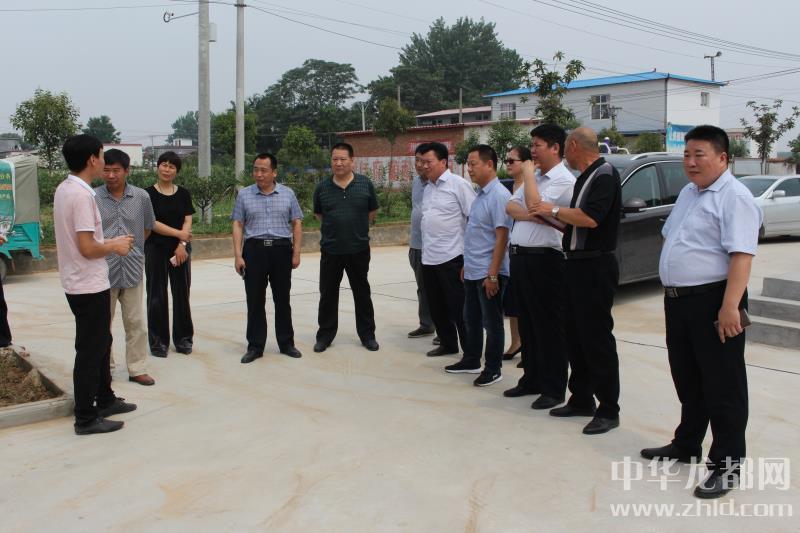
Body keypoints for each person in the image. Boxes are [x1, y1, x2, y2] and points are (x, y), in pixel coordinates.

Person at [641, 125, 762, 499]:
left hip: (716, 301)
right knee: (688, 376)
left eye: (699, 155)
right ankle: (687, 443)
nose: (690, 162)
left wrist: (730, 307)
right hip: (679, 301)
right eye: (687, 155)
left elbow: (741, 255)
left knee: (724, 385)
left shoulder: (734, 197)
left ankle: (727, 466)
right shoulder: (690, 193)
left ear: (723, 158)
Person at [530, 127, 622, 435]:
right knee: (574, 335)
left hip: (595, 267)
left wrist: (553, 209)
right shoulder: (585, 176)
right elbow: (575, 220)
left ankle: (609, 409)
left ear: (572, 146)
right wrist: (554, 216)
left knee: (596, 338)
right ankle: (581, 398)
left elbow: (591, 218)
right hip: (574, 264)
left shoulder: (604, 174)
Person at [53, 134, 136, 435]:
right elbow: (88, 247)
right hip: (87, 284)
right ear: (92, 159)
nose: (104, 161)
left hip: (81, 281)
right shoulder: (82, 196)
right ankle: (86, 417)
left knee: (102, 343)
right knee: (90, 350)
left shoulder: (65, 189)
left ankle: (105, 398)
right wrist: (114, 245)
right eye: (101, 156)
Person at [504, 126, 575, 409]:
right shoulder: (537, 178)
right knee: (528, 323)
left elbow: (533, 204)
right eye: (531, 145)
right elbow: (512, 207)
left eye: (537, 145)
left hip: (546, 259)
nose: (532, 151)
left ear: (555, 148)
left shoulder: (562, 179)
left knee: (549, 326)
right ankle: (531, 379)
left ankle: (553, 387)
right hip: (521, 257)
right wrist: (534, 213)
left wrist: (530, 179)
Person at [443, 145, 511, 386]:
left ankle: (493, 368)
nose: (469, 169)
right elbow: (477, 234)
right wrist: (467, 264)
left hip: (488, 273)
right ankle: (471, 359)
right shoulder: (480, 194)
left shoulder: (499, 195)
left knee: (492, 323)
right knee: (470, 319)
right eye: (468, 164)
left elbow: (502, 238)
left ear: (489, 164)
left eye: (473, 164)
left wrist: (492, 274)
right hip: (473, 269)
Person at [232, 153, 303, 363]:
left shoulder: (288, 194)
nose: (259, 174)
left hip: (281, 250)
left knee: (282, 299)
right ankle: (255, 346)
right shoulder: (244, 194)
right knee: (255, 300)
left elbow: (297, 222)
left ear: (274, 172)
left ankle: (286, 343)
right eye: (255, 169)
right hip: (254, 251)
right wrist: (238, 255)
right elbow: (238, 224)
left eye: (263, 170)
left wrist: (296, 252)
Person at [95, 149, 156, 386]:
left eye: (116, 170)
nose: (111, 175)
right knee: (103, 324)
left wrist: (133, 249)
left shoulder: (141, 197)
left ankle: (137, 368)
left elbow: (147, 228)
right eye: (106, 170)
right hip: (103, 269)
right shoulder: (93, 197)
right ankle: (105, 369)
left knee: (136, 323)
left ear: (127, 171)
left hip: (132, 267)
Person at [313, 143, 380, 353]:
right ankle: (325, 336)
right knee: (328, 295)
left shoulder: (365, 184)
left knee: (362, 294)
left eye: (343, 159)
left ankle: (367, 335)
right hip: (331, 250)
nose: (338, 163)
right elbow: (319, 215)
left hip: (358, 249)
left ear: (352, 161)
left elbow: (371, 212)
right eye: (335, 159)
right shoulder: (322, 188)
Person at [419, 142, 476, 358]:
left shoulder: (458, 185)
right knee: (437, 306)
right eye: (422, 162)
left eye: (429, 162)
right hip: (429, 258)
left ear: (443, 162)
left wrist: (469, 257)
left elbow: (474, 220)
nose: (424, 166)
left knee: (459, 307)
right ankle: (447, 343)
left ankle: (470, 351)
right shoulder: (428, 188)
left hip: (453, 257)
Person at [145, 151, 195, 358]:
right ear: (157, 167)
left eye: (171, 166)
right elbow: (152, 223)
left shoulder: (183, 193)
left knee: (182, 293)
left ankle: (183, 339)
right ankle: (158, 342)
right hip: (156, 248)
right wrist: (179, 234)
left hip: (180, 250)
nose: (167, 169)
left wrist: (182, 243)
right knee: (156, 295)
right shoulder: (147, 194)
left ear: (177, 171)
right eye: (163, 165)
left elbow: (187, 220)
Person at [499, 146, 531, 362]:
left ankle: (530, 345)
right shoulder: (504, 186)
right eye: (507, 160)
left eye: (512, 161)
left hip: (527, 249)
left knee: (527, 301)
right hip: (507, 249)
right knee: (512, 301)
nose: (508, 164)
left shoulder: (533, 186)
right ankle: (516, 342)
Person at [407, 143, 436, 340]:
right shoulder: (416, 183)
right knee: (422, 288)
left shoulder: (442, 184)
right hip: (417, 245)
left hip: (436, 247)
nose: (419, 165)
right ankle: (426, 324)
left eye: (423, 161)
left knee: (441, 290)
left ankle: (446, 329)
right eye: (416, 160)